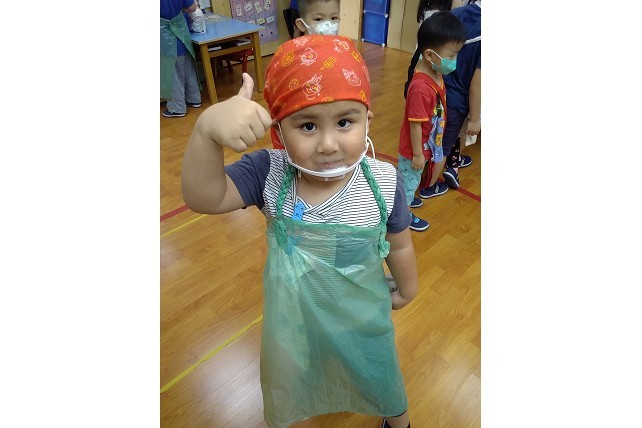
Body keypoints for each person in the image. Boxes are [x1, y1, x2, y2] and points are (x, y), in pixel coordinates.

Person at [181, 36, 417, 428]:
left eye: (345, 122)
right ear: (279, 131)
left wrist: (408, 287)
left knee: (379, 371)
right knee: (303, 372)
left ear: (368, 121)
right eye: (307, 125)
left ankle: (398, 421)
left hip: (362, 315)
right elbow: (205, 196)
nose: (328, 144)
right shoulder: (268, 173)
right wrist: (206, 131)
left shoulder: (383, 180)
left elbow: (400, 244)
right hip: (298, 318)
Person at [397, 12, 466, 231]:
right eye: (452, 55)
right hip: (414, 150)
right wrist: (418, 154)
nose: (454, 60)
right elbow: (415, 124)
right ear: (429, 55)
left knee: (411, 180)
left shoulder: (434, 71)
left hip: (425, 145)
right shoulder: (421, 88)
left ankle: (405, 201)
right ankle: (403, 216)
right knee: (408, 184)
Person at [440, 0, 481, 189]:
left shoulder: (457, 13)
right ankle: (450, 168)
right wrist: (475, 119)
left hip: (439, 88)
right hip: (460, 98)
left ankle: (451, 160)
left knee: (436, 135)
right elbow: (477, 83)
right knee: (451, 139)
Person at [160, 0, 202, 118]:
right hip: (182, 36)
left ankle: (177, 108)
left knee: (173, 74)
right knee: (188, 69)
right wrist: (180, 9)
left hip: (167, 40)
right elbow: (192, 8)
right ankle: (194, 99)